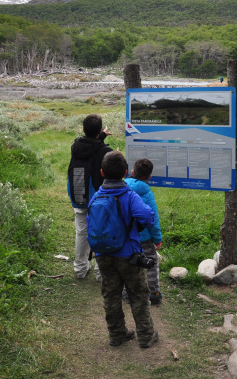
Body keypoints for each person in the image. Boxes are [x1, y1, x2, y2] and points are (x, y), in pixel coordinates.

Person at [89, 151, 159, 348]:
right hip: (128, 255)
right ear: (126, 172)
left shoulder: (95, 196)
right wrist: (135, 227)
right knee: (138, 294)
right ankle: (145, 336)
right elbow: (147, 216)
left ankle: (117, 334)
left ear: (102, 172)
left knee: (110, 295)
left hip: (102, 254)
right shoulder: (129, 196)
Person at [67, 114, 112, 280]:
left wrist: (101, 135)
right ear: (99, 129)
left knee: (81, 233)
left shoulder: (77, 146)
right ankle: (100, 273)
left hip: (78, 194)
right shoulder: (105, 151)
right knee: (101, 232)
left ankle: (80, 269)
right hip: (99, 199)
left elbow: (90, 145)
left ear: (83, 129)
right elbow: (99, 151)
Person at [123, 158, 163, 306]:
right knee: (151, 263)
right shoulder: (148, 194)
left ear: (132, 172)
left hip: (127, 236)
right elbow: (154, 219)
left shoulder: (123, 188)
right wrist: (157, 239)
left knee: (130, 263)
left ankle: (127, 293)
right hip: (145, 237)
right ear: (150, 177)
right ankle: (154, 294)